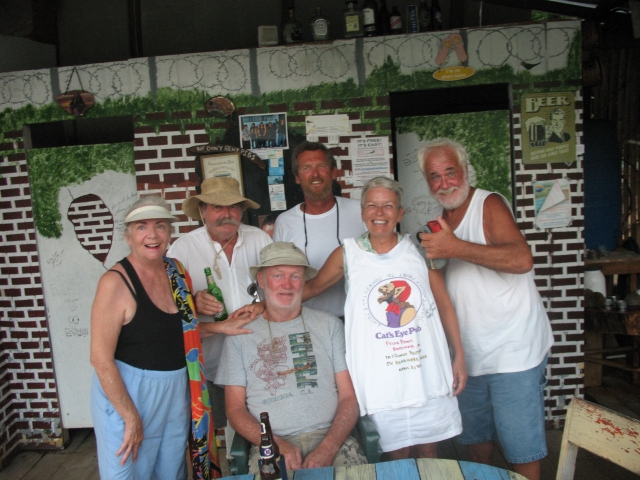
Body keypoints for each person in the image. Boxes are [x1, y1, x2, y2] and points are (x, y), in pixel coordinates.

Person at [237, 177, 467, 460]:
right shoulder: (349, 253)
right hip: (381, 378)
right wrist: (263, 305)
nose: (379, 213)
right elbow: (310, 288)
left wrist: (458, 355)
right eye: (372, 205)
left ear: (400, 212)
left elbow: (444, 304)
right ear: (362, 212)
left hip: (426, 371)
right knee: (394, 456)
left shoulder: (421, 249)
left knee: (429, 450)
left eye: (387, 206)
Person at [417, 138, 554, 480]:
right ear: (427, 183)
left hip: (513, 352)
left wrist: (454, 246)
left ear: (465, 170)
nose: (444, 182)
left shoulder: (488, 204)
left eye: (451, 172)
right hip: (469, 355)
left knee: (522, 450)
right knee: (476, 444)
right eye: (435, 176)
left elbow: (522, 259)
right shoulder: (440, 222)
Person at [90, 196, 218, 480]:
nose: (152, 235)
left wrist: (225, 327)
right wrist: (129, 416)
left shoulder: (176, 272)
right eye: (141, 227)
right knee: (129, 470)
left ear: (169, 233)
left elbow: (178, 333)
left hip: (176, 389)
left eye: (160, 226)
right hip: (130, 391)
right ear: (127, 236)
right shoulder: (114, 283)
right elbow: (100, 359)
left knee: (170, 470)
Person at [215, 242, 367, 473]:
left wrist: (329, 446)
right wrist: (277, 445)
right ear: (262, 281)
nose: (287, 284)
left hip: (332, 438)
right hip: (271, 444)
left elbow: (348, 397)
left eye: (295, 276)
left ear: (304, 281)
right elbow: (235, 410)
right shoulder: (239, 336)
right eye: (278, 275)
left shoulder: (329, 326)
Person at [167, 177, 272, 451]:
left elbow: (281, 286)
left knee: (267, 426)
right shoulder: (182, 249)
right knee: (218, 435)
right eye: (217, 206)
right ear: (202, 211)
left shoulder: (259, 239)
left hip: (260, 356)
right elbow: (167, 309)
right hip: (212, 361)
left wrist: (263, 304)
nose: (227, 213)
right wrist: (191, 301)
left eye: (234, 206)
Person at [274, 141, 365, 319]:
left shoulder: (360, 211)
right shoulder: (285, 222)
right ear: (297, 177)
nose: (315, 174)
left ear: (333, 173)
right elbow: (280, 279)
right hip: (308, 321)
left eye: (321, 166)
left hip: (358, 319)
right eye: (307, 168)